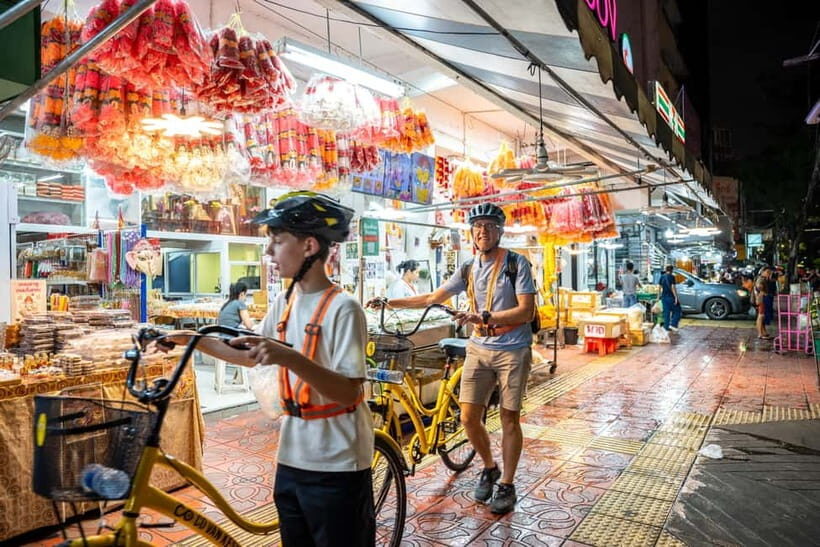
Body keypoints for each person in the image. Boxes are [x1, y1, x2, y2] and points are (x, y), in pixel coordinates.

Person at [159, 192, 375, 546]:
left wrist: (288, 357)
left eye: (277, 242)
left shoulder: (345, 308)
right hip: (292, 455)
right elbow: (249, 354)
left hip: (337, 462)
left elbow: (351, 391)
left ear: (308, 246)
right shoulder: (284, 301)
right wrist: (187, 339)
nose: (269, 253)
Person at [368, 203, 535, 515]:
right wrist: (390, 301)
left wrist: (483, 316)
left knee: (510, 417)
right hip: (478, 347)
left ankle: (508, 484)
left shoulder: (516, 263)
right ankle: (489, 466)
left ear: (499, 230)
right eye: (477, 226)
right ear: (471, 233)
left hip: (512, 348)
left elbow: (526, 311)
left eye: (489, 225)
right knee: (469, 417)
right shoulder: (468, 268)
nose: (483, 231)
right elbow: (432, 297)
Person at [659, 265, 682, 331]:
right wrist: (676, 298)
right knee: (678, 311)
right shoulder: (672, 277)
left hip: (664, 297)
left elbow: (660, 288)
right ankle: (673, 325)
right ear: (672, 270)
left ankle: (666, 328)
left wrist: (658, 297)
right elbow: (673, 288)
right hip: (670, 297)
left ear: (666, 270)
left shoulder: (662, 276)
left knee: (666, 313)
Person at [754, 267, 773, 339]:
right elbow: (758, 287)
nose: (768, 274)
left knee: (762, 316)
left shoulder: (762, 278)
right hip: (762, 299)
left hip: (762, 299)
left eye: (769, 272)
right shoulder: (761, 279)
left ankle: (763, 332)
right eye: (767, 272)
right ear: (762, 272)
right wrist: (763, 292)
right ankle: (760, 334)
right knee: (761, 315)